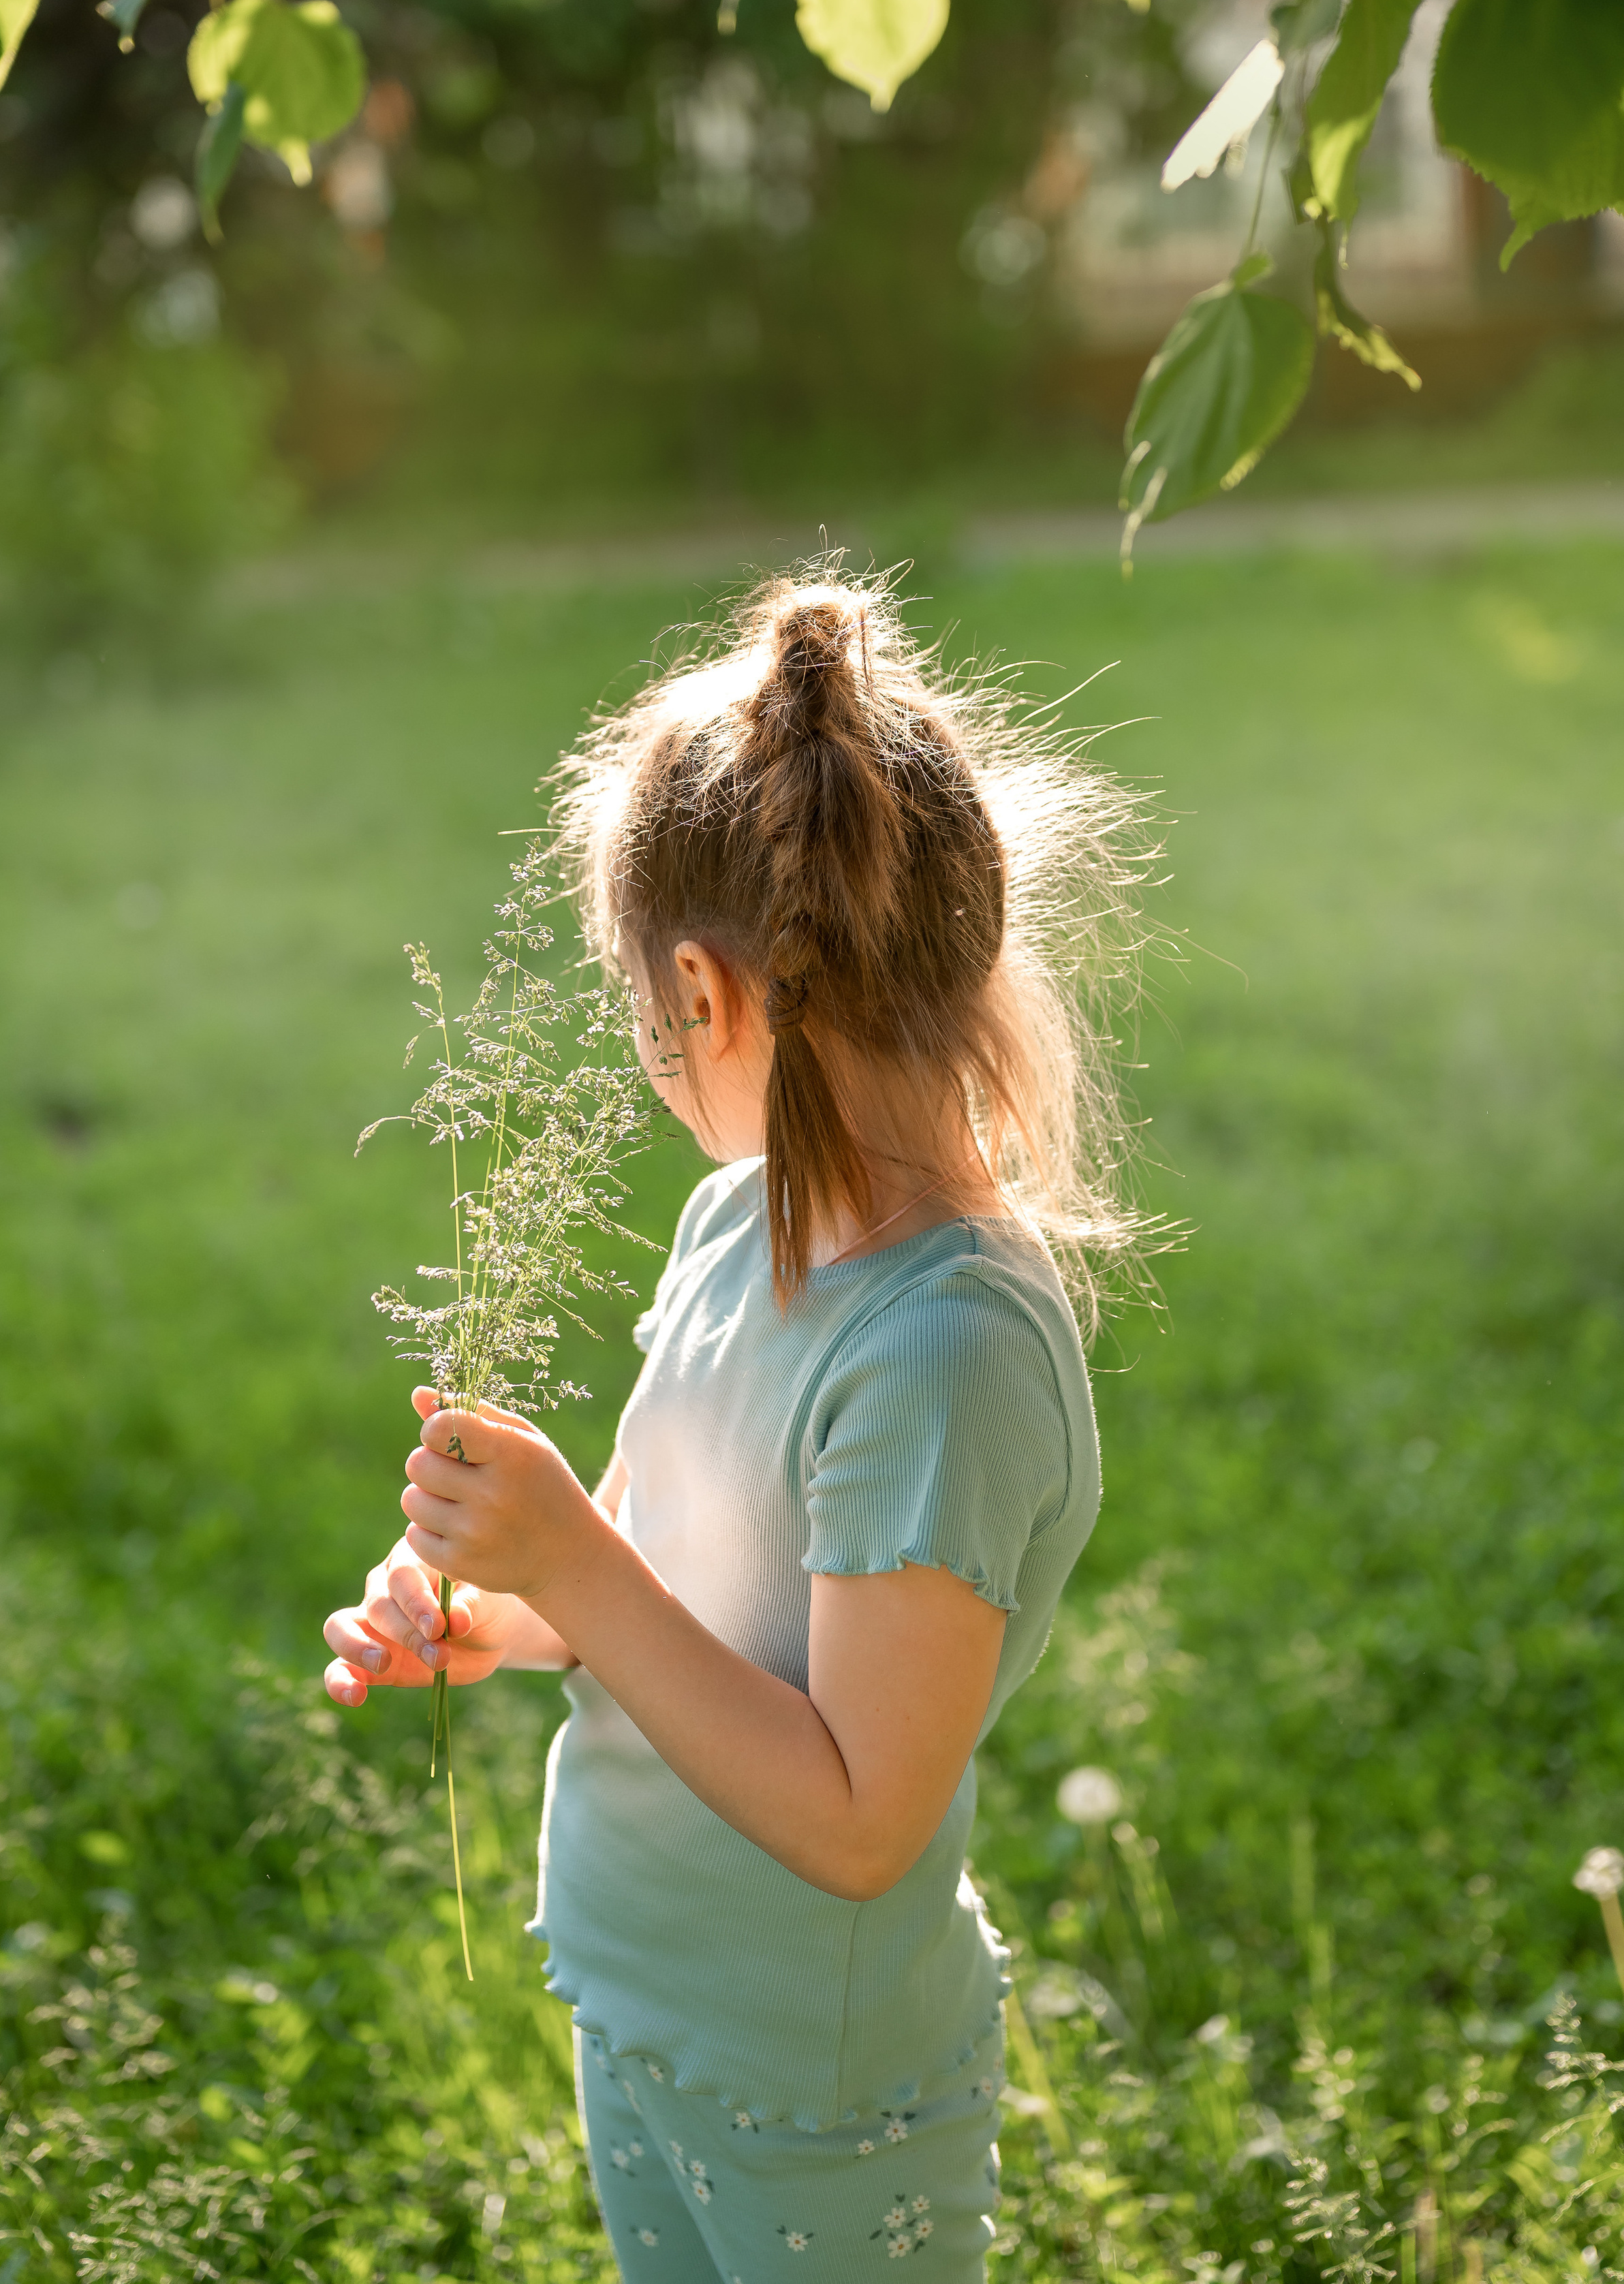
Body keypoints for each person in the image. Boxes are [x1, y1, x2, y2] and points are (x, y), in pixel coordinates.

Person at [322, 571, 1148, 2281]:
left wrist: (571, 1554)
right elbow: (647, 1579)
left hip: (820, 2090)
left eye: (638, 1016)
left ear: (698, 992)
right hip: (649, 2002)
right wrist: (483, 1609)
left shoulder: (944, 1355)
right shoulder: (737, 1224)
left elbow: (856, 1815)